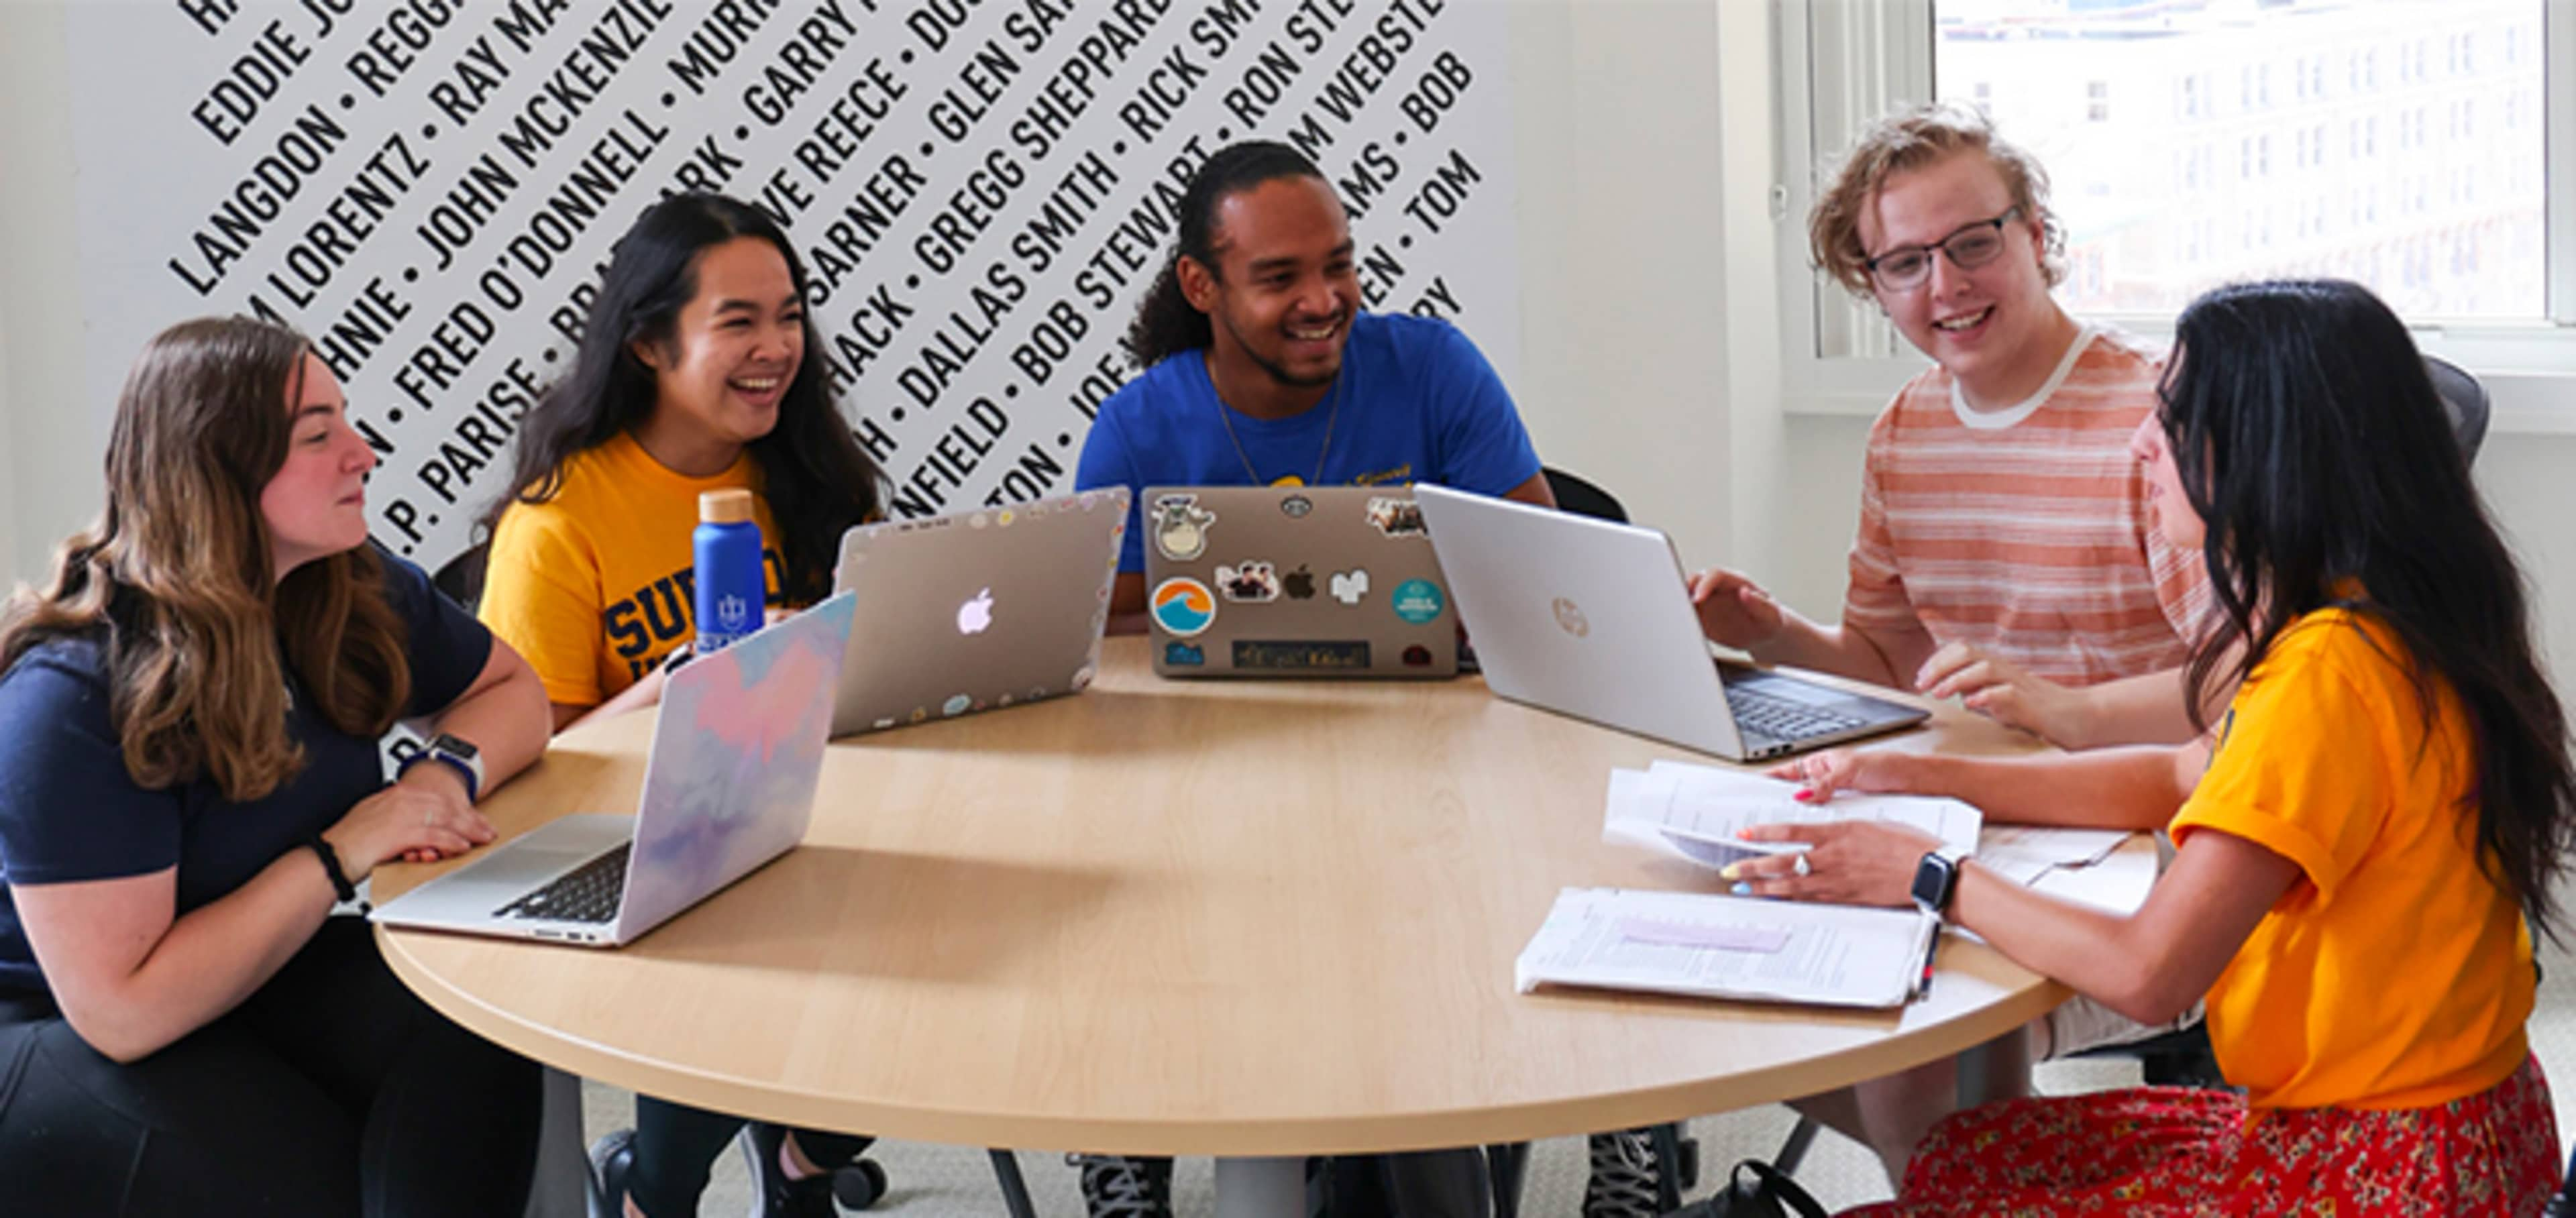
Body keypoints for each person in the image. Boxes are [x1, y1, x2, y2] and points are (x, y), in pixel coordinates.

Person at [1735, 280, 2567, 1213]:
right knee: (1968, 1153)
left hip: (2382, 1165)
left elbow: (2148, 974)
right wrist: (1916, 774)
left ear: (2264, 453)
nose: (2142, 445)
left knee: (1914, 1194)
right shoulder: (2379, 618)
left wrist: (1930, 874)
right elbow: (2182, 772)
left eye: (2168, 422)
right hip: (2454, 1132)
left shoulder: (2329, 678)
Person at [1071, 140, 1592, 1218]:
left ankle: (1571, 1118)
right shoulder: (1139, 426)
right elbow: (1104, 628)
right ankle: (1137, 1119)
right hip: (1224, 787)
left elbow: (1542, 560)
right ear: (1202, 287)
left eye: (1340, 265)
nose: (1324, 300)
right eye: (1281, 279)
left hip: (1439, 776)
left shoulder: (1434, 367)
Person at [0, 316, 552, 1215]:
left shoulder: (342, 584)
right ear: (220, 470)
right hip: (62, 1024)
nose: (363, 453)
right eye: (318, 435)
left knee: (475, 1025)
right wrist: (342, 852)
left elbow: (511, 692)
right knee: (305, 1173)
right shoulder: (69, 697)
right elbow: (124, 1010)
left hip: (249, 957)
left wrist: (436, 779)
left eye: (348, 421)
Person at [478, 192, 889, 1218]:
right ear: (651, 344)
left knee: (956, 957)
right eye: (738, 321)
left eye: (789, 315)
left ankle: (801, 1157)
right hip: (652, 847)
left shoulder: (808, 470)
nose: (777, 347)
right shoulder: (559, 519)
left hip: (825, 809)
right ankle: (652, 1191)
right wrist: (672, 691)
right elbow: (534, 760)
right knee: (736, 945)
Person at [1692, 103, 2210, 752]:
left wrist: (2067, 709)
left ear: (2036, 236)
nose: (1947, 285)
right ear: (1873, 285)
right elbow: (1887, 668)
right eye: (1907, 264)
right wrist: (1766, 632)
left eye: (1972, 244)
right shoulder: (1903, 435)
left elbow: (2245, 677)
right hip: (1990, 798)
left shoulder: (2164, 417)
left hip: (2148, 813)